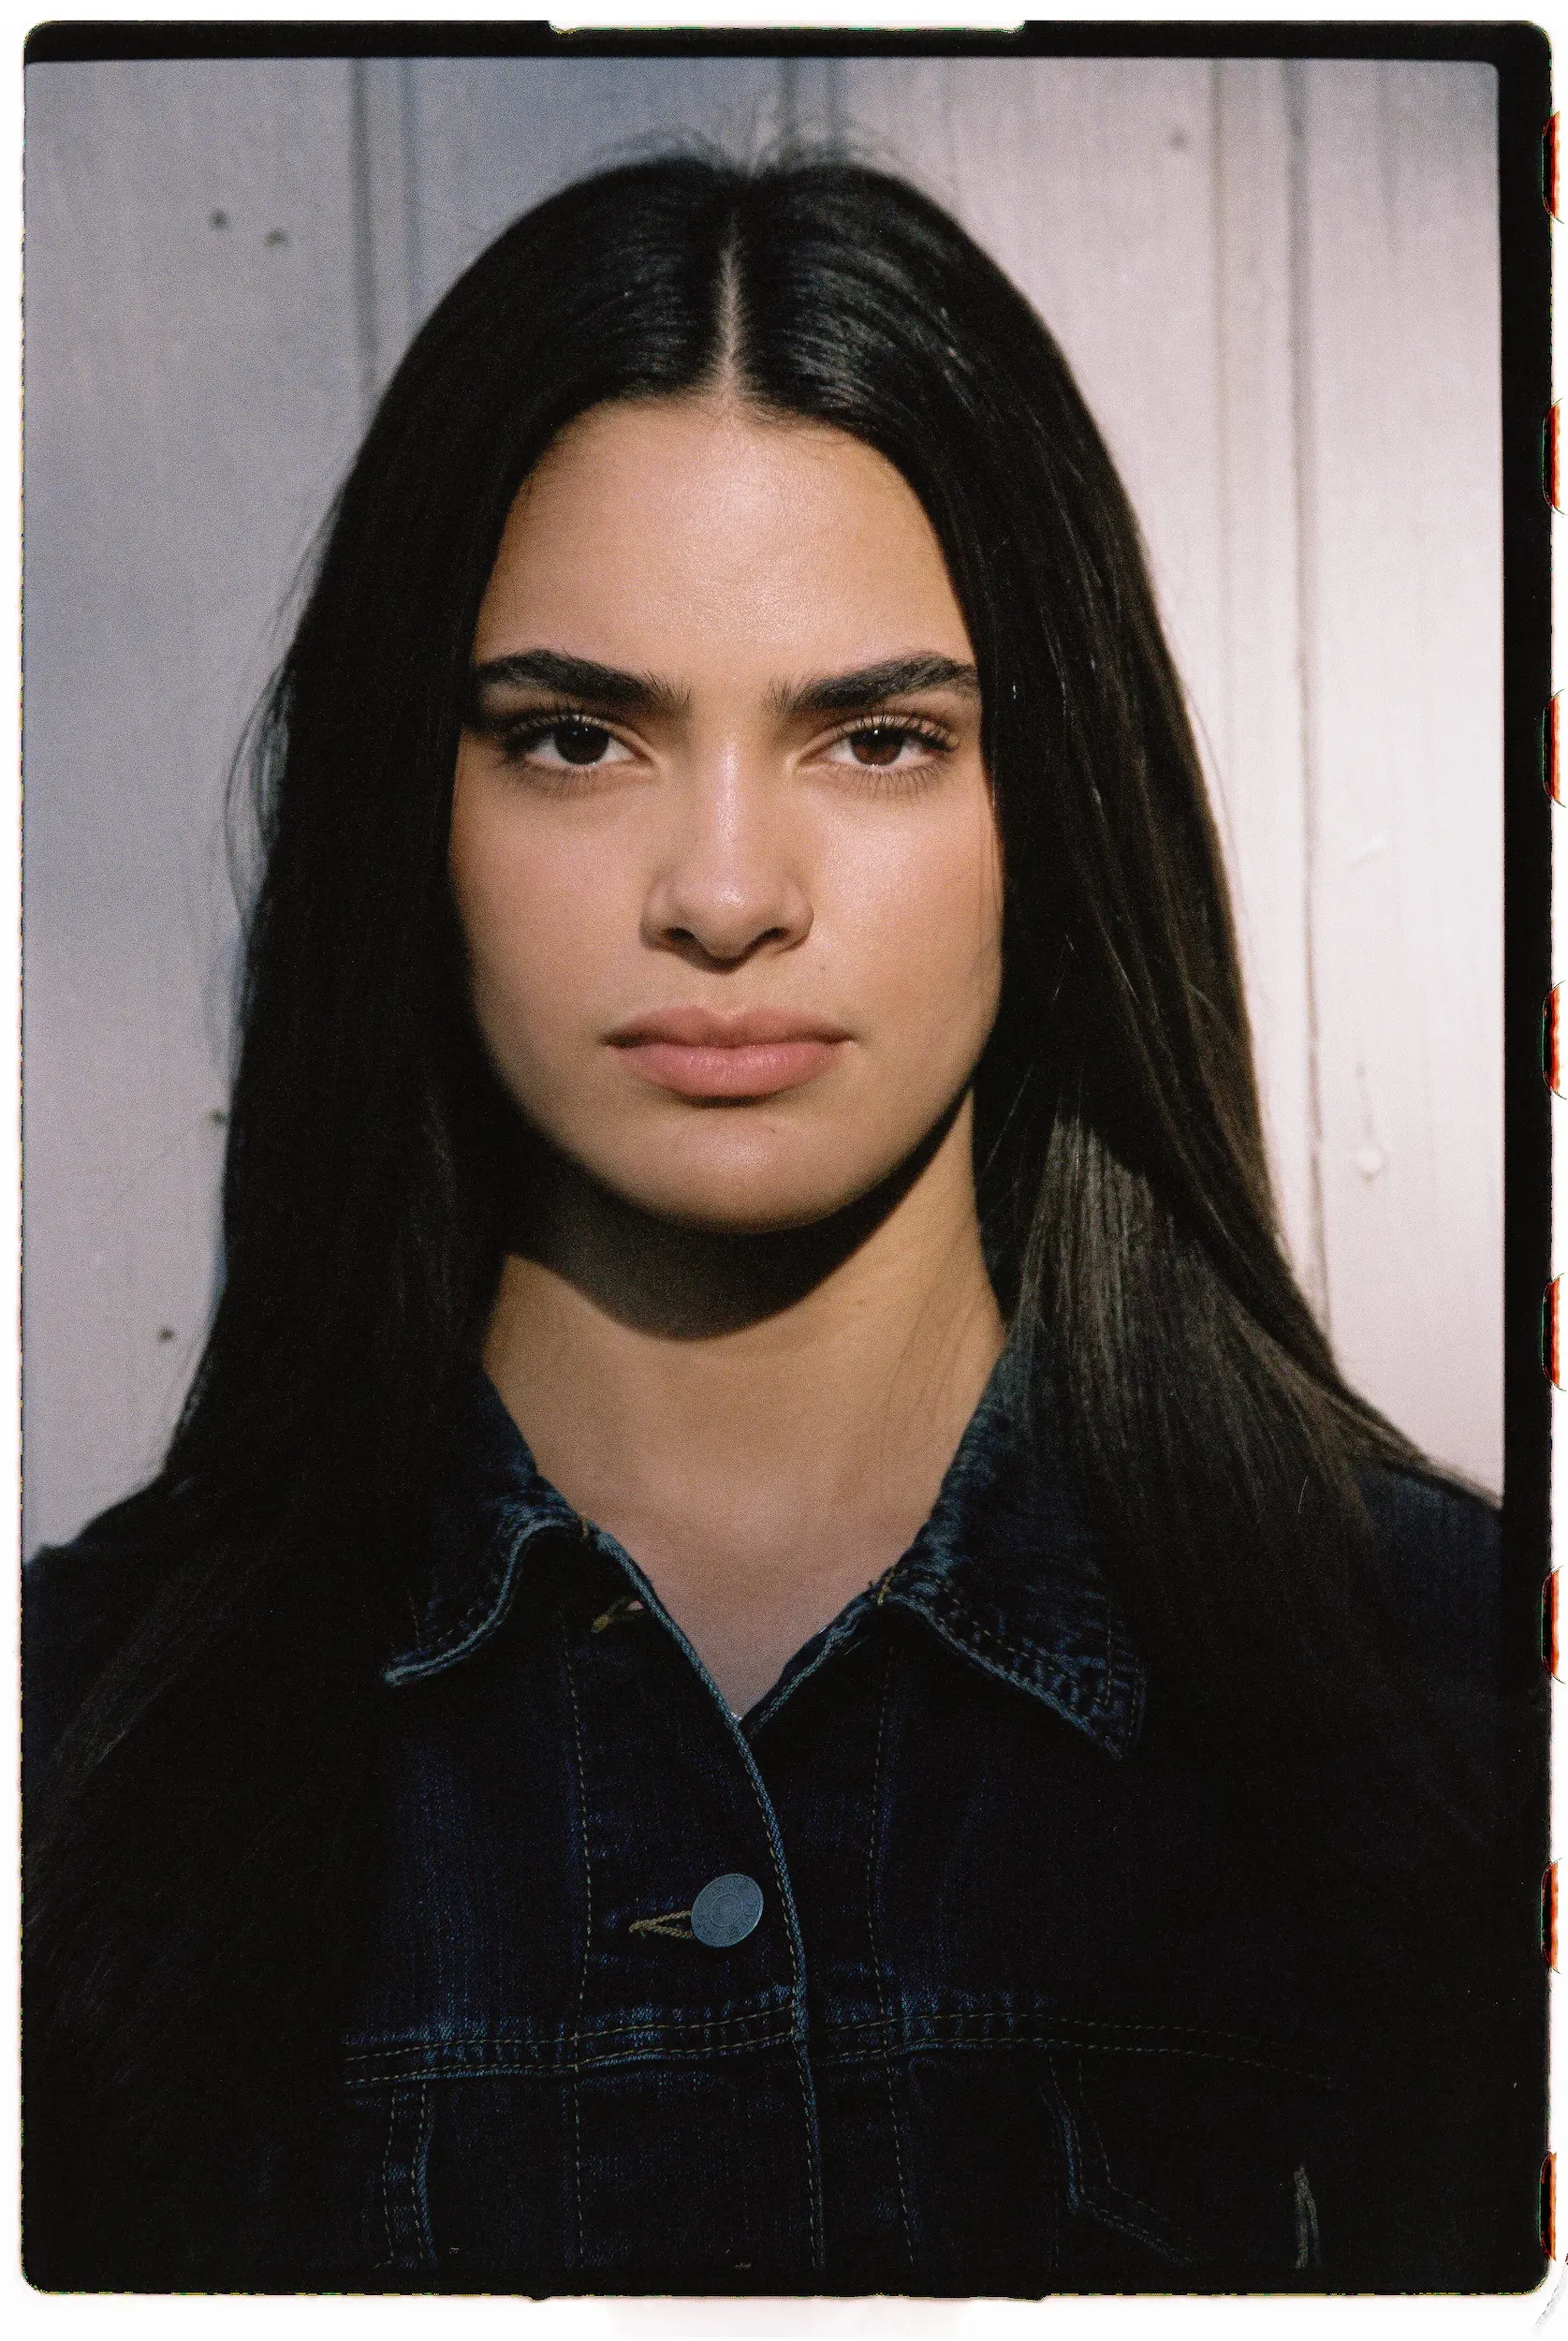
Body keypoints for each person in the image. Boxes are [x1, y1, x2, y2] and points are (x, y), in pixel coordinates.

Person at [22, 153, 1544, 2294]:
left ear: (1059, 801)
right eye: (574, 735)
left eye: (877, 737)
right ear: (411, 808)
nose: (725, 891)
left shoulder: (1475, 1716)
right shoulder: (64, 1766)